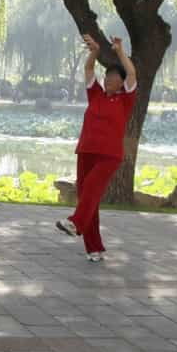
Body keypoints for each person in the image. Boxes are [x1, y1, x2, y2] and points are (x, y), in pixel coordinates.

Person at [54, 34, 138, 262]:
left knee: (91, 189)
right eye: (107, 75)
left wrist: (120, 51)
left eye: (113, 76)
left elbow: (131, 73)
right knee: (87, 197)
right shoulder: (96, 95)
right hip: (86, 151)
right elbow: (89, 70)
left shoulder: (125, 100)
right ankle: (94, 248)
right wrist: (94, 51)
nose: (108, 78)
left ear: (121, 83)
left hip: (109, 155)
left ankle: (75, 223)